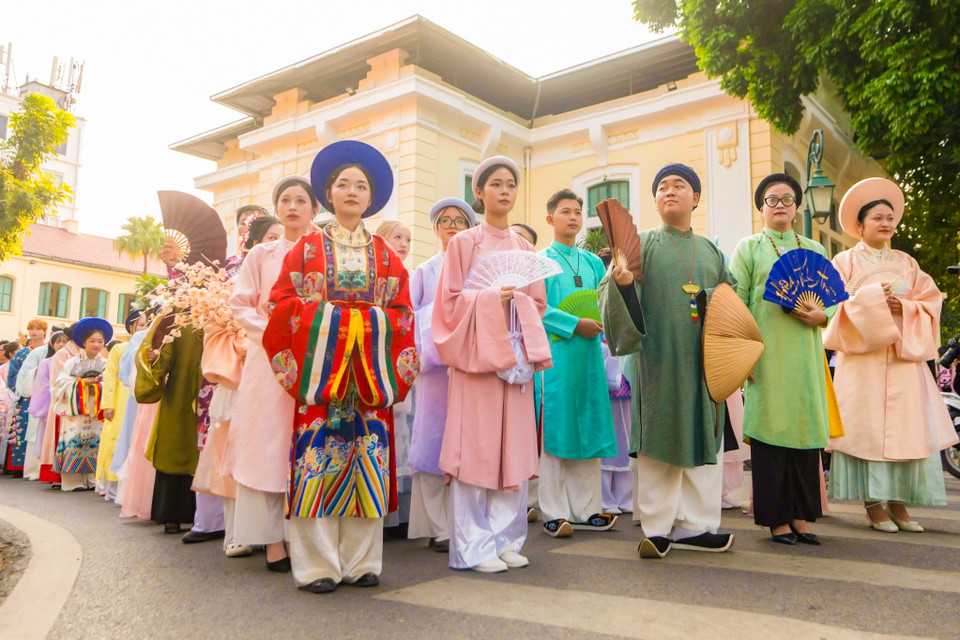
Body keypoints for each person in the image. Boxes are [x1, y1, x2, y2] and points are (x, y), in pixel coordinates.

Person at [263, 140, 417, 593]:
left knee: (368, 462)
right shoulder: (305, 249)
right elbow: (281, 304)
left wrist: (361, 324)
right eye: (344, 184)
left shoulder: (387, 256)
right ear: (328, 194)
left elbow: (404, 314)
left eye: (361, 186)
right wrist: (334, 322)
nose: (352, 191)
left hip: (370, 379)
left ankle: (362, 562)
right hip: (321, 376)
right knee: (316, 464)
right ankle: (317, 566)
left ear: (371, 198)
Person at [599, 163, 736, 559]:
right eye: (661, 187)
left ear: (696, 198)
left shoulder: (711, 251)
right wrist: (622, 284)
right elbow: (611, 297)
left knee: (702, 438)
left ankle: (697, 526)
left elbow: (731, 301)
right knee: (659, 441)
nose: (669, 191)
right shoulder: (641, 245)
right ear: (655, 201)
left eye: (679, 185)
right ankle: (658, 527)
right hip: (658, 361)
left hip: (703, 364)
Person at [432, 155, 551, 573]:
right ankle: (473, 545)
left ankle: (506, 538)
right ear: (479, 192)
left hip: (514, 360)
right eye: (495, 184)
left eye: (510, 184)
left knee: (512, 450)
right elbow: (448, 304)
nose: (504, 191)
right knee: (476, 450)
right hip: (476, 360)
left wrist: (516, 301)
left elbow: (538, 303)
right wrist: (488, 298)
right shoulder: (463, 243)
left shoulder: (525, 248)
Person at [824, 178, 959, 531]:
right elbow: (833, 306)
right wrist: (872, 299)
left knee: (907, 428)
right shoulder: (843, 261)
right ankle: (873, 504)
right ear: (860, 225)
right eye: (877, 218)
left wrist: (907, 306)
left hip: (902, 355)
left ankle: (899, 503)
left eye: (890, 218)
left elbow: (930, 301)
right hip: (864, 356)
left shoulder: (907, 262)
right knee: (866, 430)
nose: (886, 224)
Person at [729, 173, 833, 546]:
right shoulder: (749, 248)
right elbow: (737, 303)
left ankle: (801, 515)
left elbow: (832, 300)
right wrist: (744, 354)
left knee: (804, 431)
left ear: (797, 207)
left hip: (805, 355)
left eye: (787, 199)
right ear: (761, 208)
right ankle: (776, 519)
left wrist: (823, 316)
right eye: (771, 199)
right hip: (767, 353)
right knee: (772, 433)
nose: (780, 205)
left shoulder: (815, 249)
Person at [225, 179, 316, 570]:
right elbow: (241, 303)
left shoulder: (324, 252)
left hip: (314, 360)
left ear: (314, 209)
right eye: (285, 200)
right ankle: (272, 538)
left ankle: (304, 535)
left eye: (301, 200)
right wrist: (276, 333)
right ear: (276, 208)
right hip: (268, 359)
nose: (293, 206)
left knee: (305, 442)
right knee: (268, 443)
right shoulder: (261, 255)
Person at [535, 189, 618, 537]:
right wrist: (573, 324)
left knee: (590, 426)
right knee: (558, 430)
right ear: (550, 218)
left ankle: (588, 509)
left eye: (577, 212)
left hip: (590, 357)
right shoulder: (540, 261)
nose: (572, 217)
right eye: (565, 211)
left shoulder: (594, 263)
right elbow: (536, 308)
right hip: (556, 358)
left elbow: (605, 302)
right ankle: (553, 511)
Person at [407, 197, 474, 553]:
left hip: (471, 368)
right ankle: (437, 526)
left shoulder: (478, 268)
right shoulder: (425, 270)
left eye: (459, 220)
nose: (452, 226)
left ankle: (465, 521)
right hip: (435, 371)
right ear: (434, 228)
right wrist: (443, 317)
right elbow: (411, 318)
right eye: (445, 220)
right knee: (433, 438)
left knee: (467, 440)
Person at [376, 218, 415, 538]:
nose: (403, 243)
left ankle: (401, 515)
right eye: (397, 237)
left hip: (403, 355)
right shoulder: (374, 274)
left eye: (408, 239)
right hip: (378, 356)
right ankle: (381, 513)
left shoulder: (410, 275)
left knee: (404, 433)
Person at [51, 318, 112, 491]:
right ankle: (73, 481)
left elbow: (111, 385)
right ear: (84, 342)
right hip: (76, 410)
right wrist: (81, 384)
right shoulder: (72, 363)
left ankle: (94, 479)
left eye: (100, 341)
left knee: (96, 441)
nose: (96, 345)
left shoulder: (107, 364)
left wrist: (98, 386)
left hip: (96, 411)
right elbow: (59, 386)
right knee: (75, 439)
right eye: (92, 341)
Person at [39, 324, 80, 486]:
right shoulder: (62, 354)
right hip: (64, 401)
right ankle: (57, 475)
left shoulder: (82, 353)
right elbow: (56, 382)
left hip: (80, 401)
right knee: (60, 435)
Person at [25, 332, 69, 482]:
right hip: (51, 403)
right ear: (52, 344)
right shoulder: (46, 362)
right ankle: (49, 470)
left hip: (68, 403)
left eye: (64, 341)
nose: (61, 344)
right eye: (58, 342)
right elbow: (42, 385)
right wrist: (55, 395)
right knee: (49, 438)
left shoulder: (72, 360)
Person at [4, 319, 46, 476]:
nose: (34, 332)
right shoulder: (21, 354)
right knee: (21, 428)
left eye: (38, 329)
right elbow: (12, 374)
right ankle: (18, 465)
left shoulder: (50, 351)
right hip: (25, 397)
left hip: (44, 396)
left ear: (45, 331)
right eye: (31, 329)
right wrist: (25, 383)